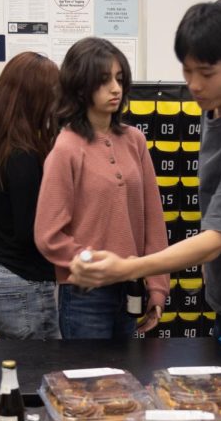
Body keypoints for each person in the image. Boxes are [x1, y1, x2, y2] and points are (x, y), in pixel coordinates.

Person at [68, 0, 221, 349]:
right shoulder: (219, 103)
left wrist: (129, 269)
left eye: (205, 73)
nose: (193, 85)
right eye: (187, 71)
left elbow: (215, 240)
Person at [35, 37, 169, 339]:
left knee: (127, 381)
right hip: (85, 295)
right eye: (104, 79)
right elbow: (49, 235)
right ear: (81, 86)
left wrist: (157, 287)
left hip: (131, 289)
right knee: (91, 384)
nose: (116, 88)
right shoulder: (67, 148)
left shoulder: (135, 140)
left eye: (120, 79)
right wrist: (96, 264)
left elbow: (153, 221)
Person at [0, 51, 63, 339]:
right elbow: (32, 232)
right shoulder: (24, 155)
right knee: (39, 375)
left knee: (26, 372)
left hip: (1, 274)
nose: (58, 102)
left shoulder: (0, 144)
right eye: (53, 93)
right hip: (23, 285)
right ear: (34, 98)